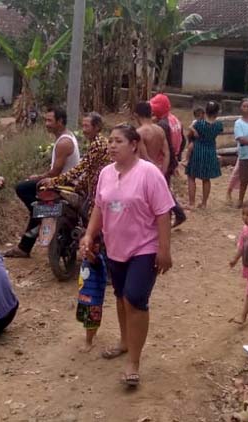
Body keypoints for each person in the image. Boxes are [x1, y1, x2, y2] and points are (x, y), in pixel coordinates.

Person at [79, 124, 174, 388]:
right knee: (120, 297)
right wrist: (89, 235)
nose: (111, 145)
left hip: (144, 248)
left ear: (133, 145)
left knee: (135, 299)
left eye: (118, 141)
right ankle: (124, 341)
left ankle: (133, 362)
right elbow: (99, 206)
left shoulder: (149, 173)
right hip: (115, 247)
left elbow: (163, 212)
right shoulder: (106, 174)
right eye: (110, 141)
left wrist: (164, 249)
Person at [4, 106, 81, 258]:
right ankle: (35, 223)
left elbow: (55, 172)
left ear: (60, 121)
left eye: (50, 120)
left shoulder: (63, 142)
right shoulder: (65, 137)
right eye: (45, 120)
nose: (46, 123)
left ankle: (39, 214)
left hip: (62, 183)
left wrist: (38, 176)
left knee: (22, 188)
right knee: (35, 201)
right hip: (62, 180)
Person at [40, 112, 109, 213]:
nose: (84, 130)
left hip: (98, 190)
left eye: (87, 126)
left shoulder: (98, 144)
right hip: (92, 187)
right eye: (83, 126)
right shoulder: (96, 141)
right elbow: (89, 170)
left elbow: (80, 169)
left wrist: (54, 181)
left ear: (97, 127)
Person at [149, 95, 188, 228]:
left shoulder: (162, 124)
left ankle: (176, 214)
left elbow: (168, 147)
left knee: (162, 191)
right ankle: (175, 214)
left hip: (165, 162)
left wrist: (172, 162)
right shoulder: (174, 119)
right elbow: (183, 140)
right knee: (165, 189)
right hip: (172, 159)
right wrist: (178, 157)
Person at [184, 101, 223, 209]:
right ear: (217, 113)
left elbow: (190, 129)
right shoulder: (218, 125)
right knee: (206, 178)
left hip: (198, 150)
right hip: (210, 151)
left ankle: (191, 203)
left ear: (206, 111)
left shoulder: (199, 123)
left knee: (191, 176)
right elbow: (218, 131)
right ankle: (204, 203)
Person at [76, 250, 108, 352]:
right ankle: (92, 335)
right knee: (89, 319)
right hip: (86, 295)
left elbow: (93, 259)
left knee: (91, 320)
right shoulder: (87, 258)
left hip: (93, 298)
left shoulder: (97, 259)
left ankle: (88, 343)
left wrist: (87, 249)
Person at [134, 102, 170, 176]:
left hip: (144, 172)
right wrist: (162, 172)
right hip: (159, 170)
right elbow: (166, 153)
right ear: (151, 113)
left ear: (136, 115)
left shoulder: (139, 132)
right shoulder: (160, 130)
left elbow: (143, 156)